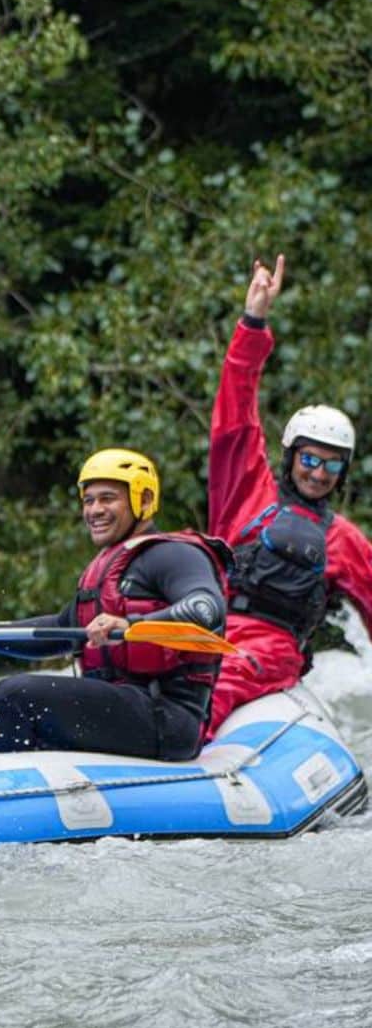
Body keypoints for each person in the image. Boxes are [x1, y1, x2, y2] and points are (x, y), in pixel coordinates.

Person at [0, 448, 229, 762]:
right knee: (18, 700)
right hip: (121, 709)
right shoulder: (107, 567)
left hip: (165, 717)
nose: (94, 510)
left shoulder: (174, 554)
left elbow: (207, 608)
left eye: (108, 498)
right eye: (88, 501)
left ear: (143, 500)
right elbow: (61, 630)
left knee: (13, 696)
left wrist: (130, 625)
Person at [207, 254, 372, 735]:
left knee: (214, 684)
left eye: (331, 464)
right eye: (310, 459)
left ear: (341, 473)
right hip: (207, 629)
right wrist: (253, 320)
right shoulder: (246, 491)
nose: (318, 473)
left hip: (268, 652)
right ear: (291, 457)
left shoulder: (345, 541)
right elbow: (235, 410)